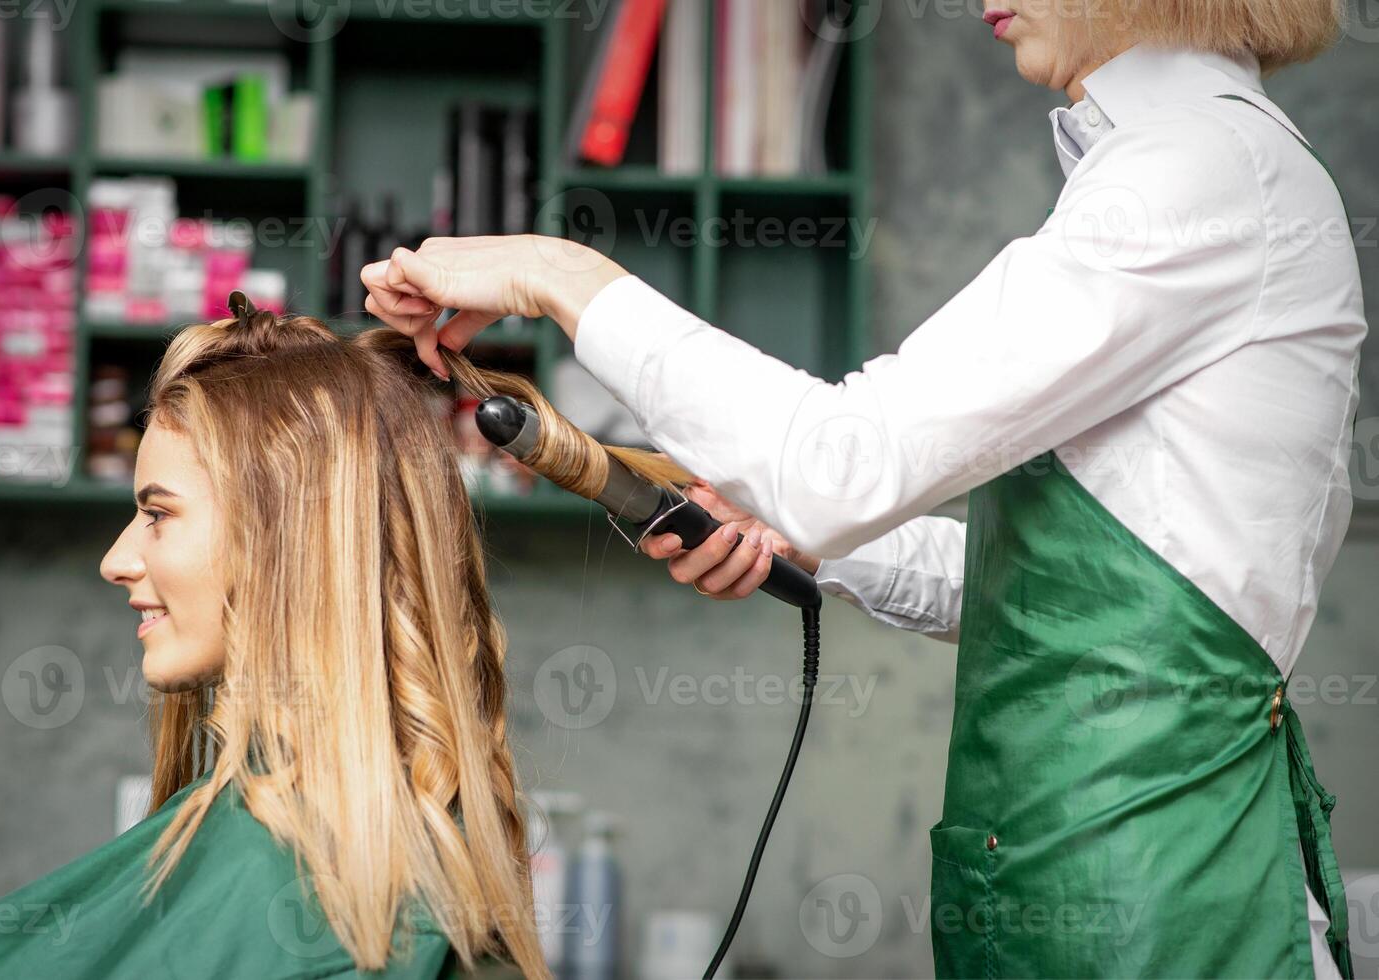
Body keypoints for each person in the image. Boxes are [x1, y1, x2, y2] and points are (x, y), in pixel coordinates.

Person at [359, 1, 1366, 975]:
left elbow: (835, 465)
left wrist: (557, 273)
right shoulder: (1199, 167)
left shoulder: (1200, 170)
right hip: (1088, 889)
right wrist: (801, 541)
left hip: (1166, 907)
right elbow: (1064, 598)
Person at [0, 307, 550, 979]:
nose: (117, 559)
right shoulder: (426, 883)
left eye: (158, 514)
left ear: (283, 535)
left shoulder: (280, 876)